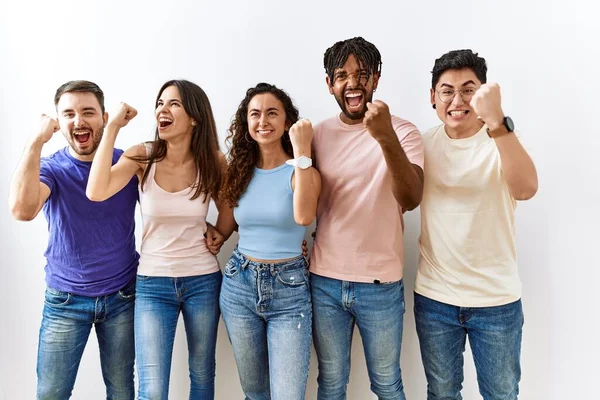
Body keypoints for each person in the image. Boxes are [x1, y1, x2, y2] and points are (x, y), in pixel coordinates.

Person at [86, 79, 224, 399]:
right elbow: (96, 191)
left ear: (194, 117)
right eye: (160, 103)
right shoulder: (142, 156)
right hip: (153, 281)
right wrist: (112, 129)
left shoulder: (213, 161)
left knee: (202, 373)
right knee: (152, 385)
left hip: (203, 279)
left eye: (173, 103)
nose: (163, 109)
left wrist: (220, 232)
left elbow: (229, 213)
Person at [414, 49, 538, 400]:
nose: (457, 100)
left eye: (468, 89)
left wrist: (497, 121)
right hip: (435, 297)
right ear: (433, 97)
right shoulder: (422, 144)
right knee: (441, 393)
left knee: (501, 394)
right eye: (447, 90)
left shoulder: (501, 141)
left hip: (496, 300)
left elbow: (526, 188)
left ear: (483, 94)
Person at [309, 37, 425, 400]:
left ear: (375, 78)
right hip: (324, 280)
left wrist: (384, 135)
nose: (352, 83)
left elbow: (411, 198)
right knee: (331, 382)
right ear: (329, 84)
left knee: (387, 383)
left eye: (361, 74)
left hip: (381, 283)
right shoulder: (318, 134)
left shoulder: (403, 131)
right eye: (342, 75)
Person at [8, 80, 138, 399]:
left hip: (123, 297)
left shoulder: (126, 164)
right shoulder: (51, 168)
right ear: (59, 122)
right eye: (68, 113)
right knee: (51, 393)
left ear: (104, 118)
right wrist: (36, 141)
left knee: (122, 391)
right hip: (66, 299)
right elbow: (22, 210)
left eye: (87, 112)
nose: (78, 120)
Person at [215, 82, 321, 400]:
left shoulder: (303, 172)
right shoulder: (238, 173)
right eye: (255, 114)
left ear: (286, 122)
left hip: (289, 290)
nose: (263, 121)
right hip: (239, 285)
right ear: (246, 124)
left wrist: (302, 151)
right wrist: (211, 233)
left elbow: (304, 217)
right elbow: (226, 227)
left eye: (272, 113)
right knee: (255, 393)